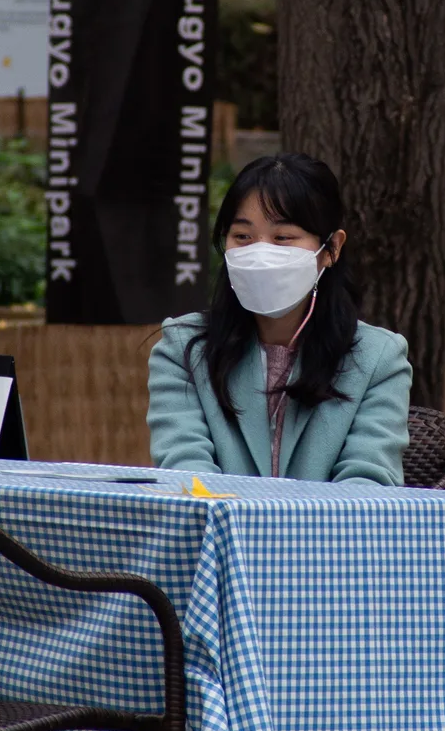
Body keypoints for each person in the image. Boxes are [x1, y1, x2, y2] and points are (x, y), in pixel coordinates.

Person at [148, 154, 411, 484]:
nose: (260, 254)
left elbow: (368, 482)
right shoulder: (182, 350)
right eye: (242, 237)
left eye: (283, 238)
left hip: (328, 536)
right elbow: (185, 470)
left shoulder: (378, 359)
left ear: (331, 248)